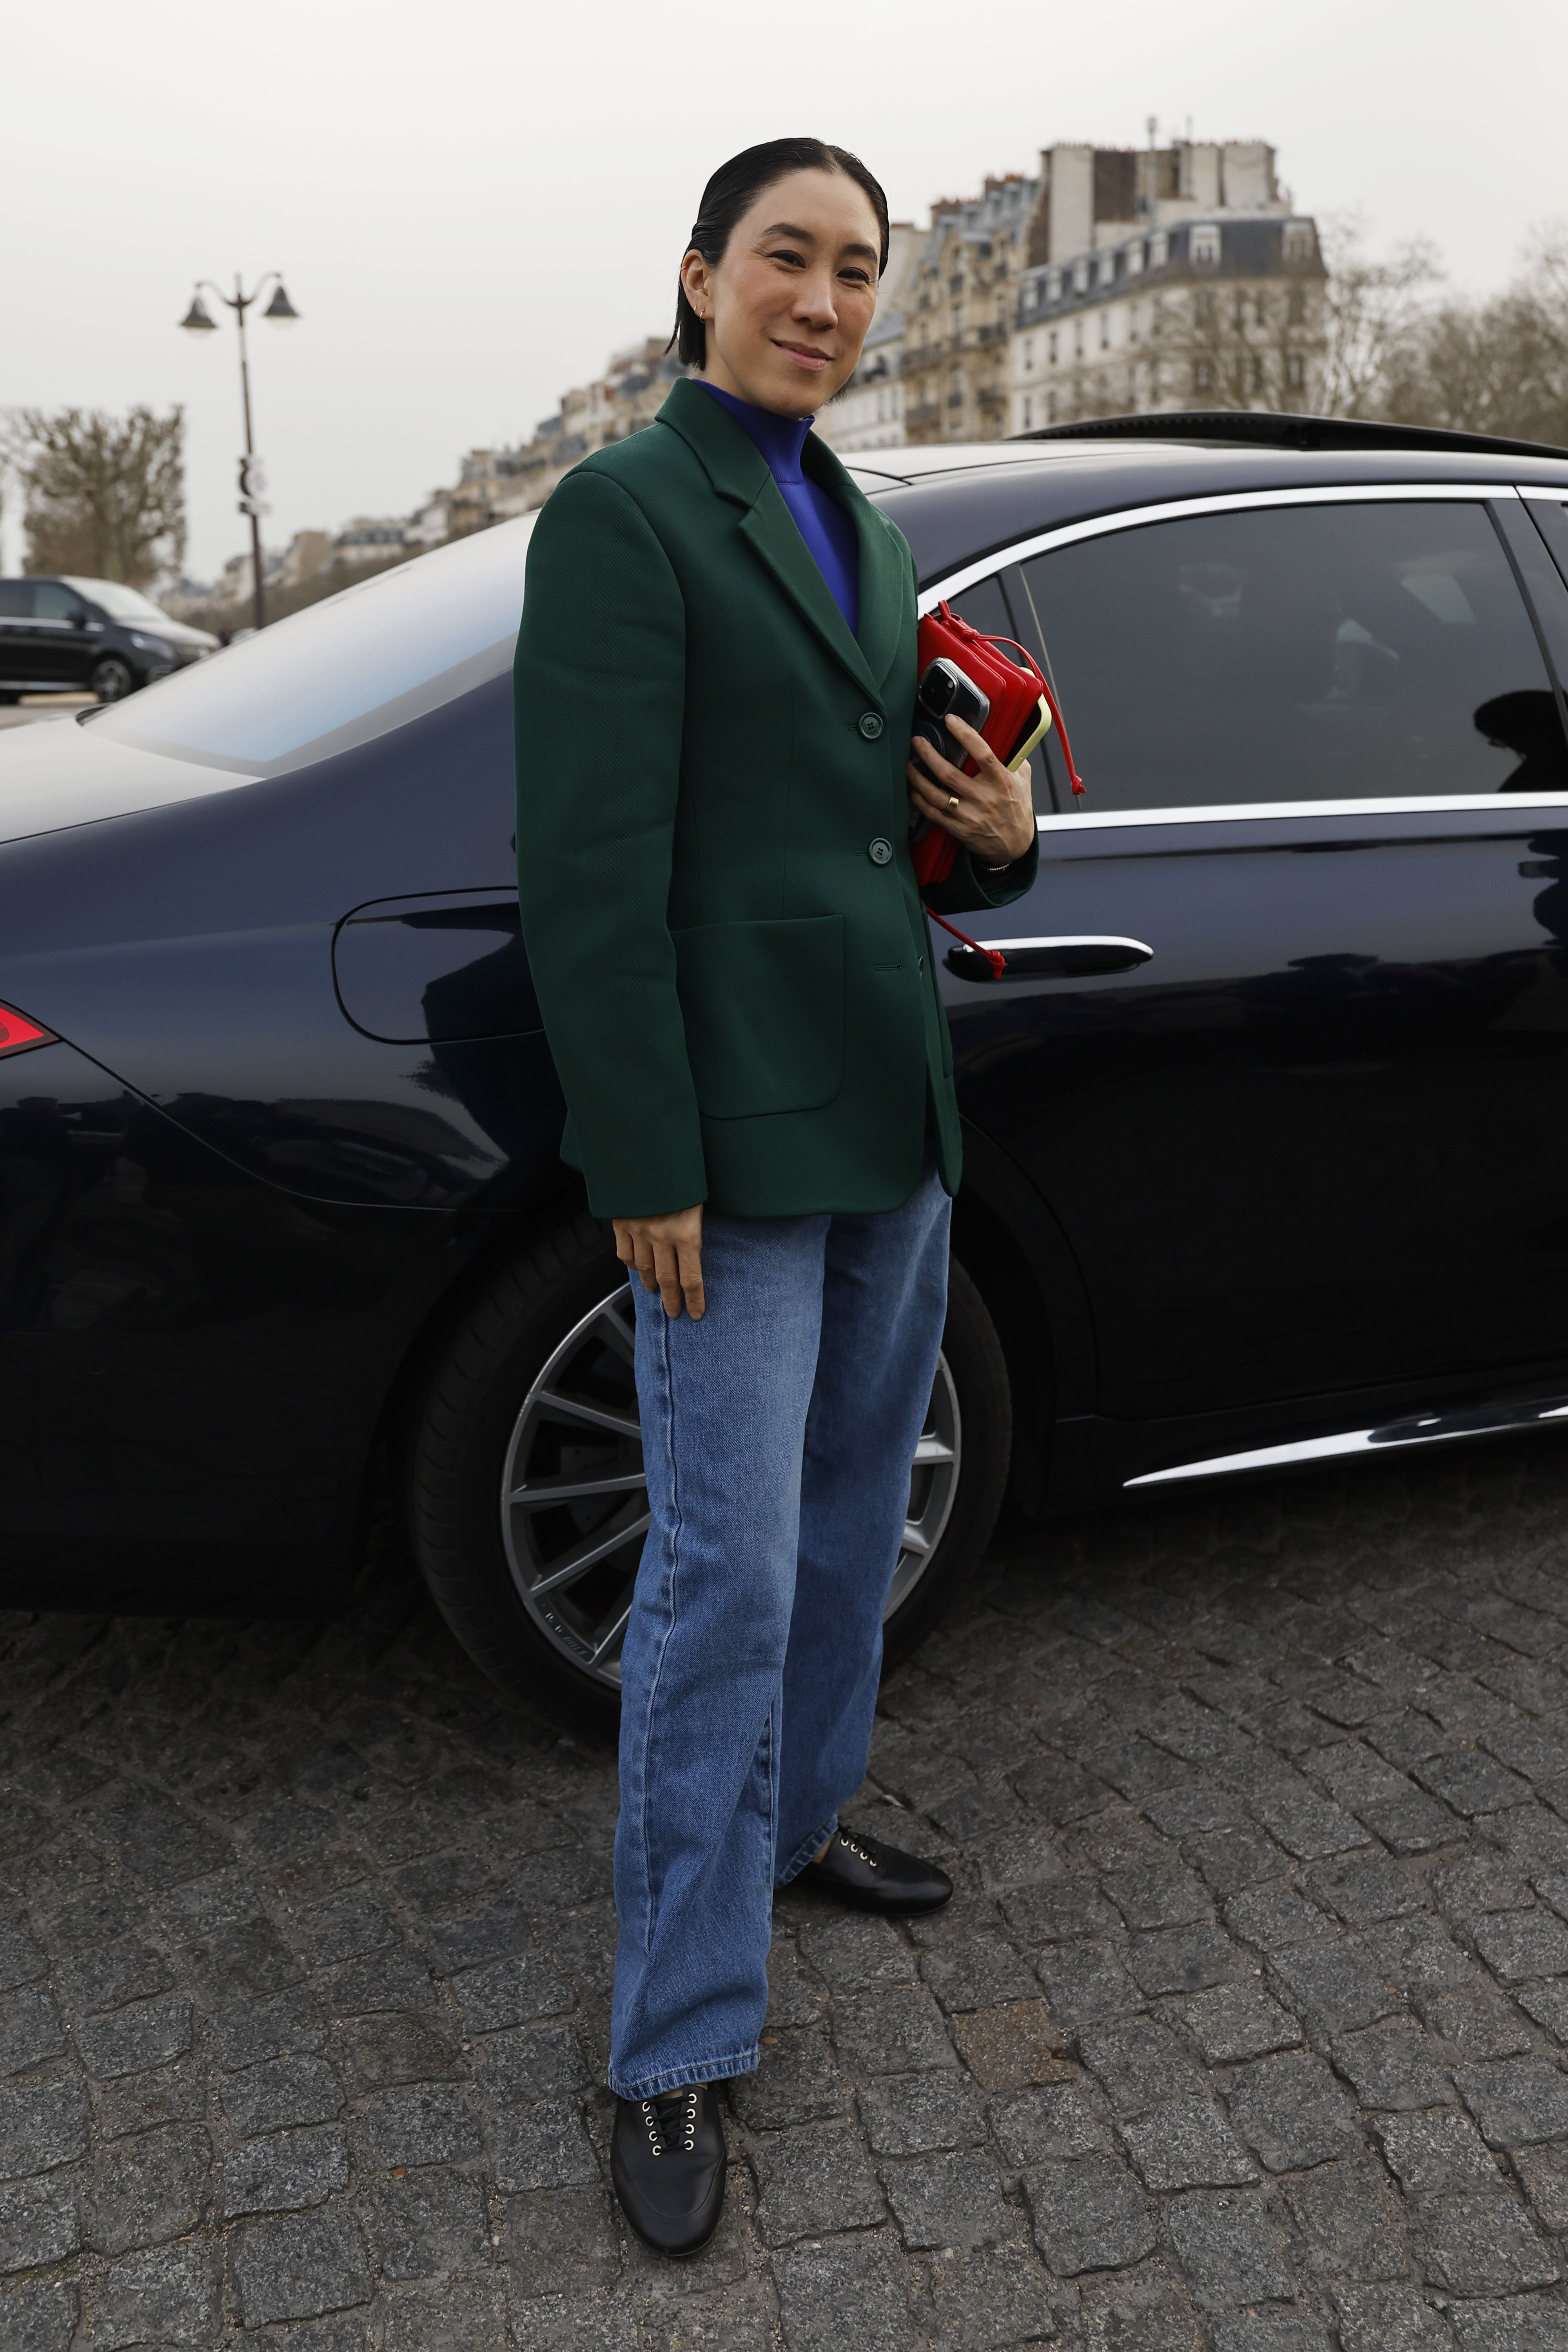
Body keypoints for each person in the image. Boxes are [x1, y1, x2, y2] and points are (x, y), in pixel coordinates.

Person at [514, 136, 1039, 2259]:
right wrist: (640, 1155)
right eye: (785, 263)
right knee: (718, 1578)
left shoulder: (861, 518)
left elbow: (889, 840)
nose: (822, 300)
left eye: (855, 272)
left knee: (851, 1521)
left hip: (890, 1118)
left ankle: (802, 1823)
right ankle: (673, 2037)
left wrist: (1000, 833)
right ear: (700, 278)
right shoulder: (629, 513)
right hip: (723, 1155)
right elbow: (591, 873)